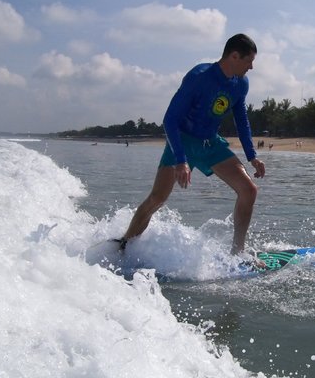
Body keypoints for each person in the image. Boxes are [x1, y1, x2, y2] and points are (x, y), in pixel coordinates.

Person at [114, 33, 266, 260]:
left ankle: (238, 253)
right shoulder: (199, 77)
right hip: (182, 142)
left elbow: (241, 120)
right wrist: (181, 160)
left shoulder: (240, 84)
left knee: (249, 190)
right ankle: (124, 244)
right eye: (248, 61)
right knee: (157, 199)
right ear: (234, 56)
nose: (251, 67)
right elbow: (170, 119)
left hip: (210, 142)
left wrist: (252, 156)